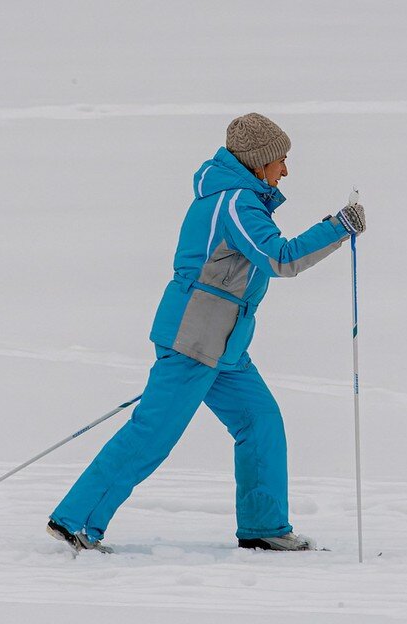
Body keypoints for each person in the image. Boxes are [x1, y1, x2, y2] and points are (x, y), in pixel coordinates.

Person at [47, 113, 367, 553]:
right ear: (259, 163)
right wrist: (338, 228)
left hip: (225, 347)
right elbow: (280, 259)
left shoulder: (240, 200)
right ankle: (76, 520)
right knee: (152, 434)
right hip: (193, 342)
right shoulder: (235, 203)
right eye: (281, 160)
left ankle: (264, 527)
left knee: (260, 422)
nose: (286, 171)